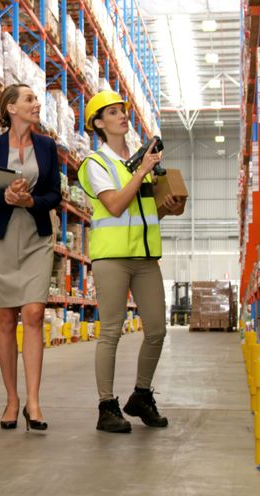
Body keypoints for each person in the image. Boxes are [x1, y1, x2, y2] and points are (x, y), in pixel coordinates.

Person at [77, 91, 184, 433]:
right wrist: (143, 171)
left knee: (156, 328)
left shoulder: (138, 163)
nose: (122, 116)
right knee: (110, 331)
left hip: (145, 257)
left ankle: (141, 395)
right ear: (98, 123)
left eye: (123, 111)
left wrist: (168, 206)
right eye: (113, 112)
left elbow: (144, 213)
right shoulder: (96, 164)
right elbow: (115, 206)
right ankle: (106, 406)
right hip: (112, 258)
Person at [0, 84, 62, 432]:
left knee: (34, 313)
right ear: (11, 107)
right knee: (6, 319)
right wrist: (6, 197)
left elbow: (54, 193)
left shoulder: (47, 147)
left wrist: (31, 202)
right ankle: (12, 400)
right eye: (29, 99)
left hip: (36, 236)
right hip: (1, 237)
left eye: (35, 100)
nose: (36, 104)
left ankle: (34, 402)